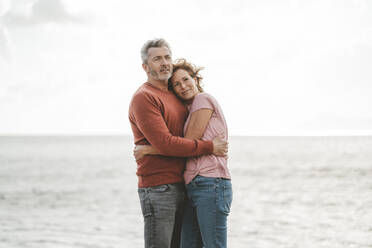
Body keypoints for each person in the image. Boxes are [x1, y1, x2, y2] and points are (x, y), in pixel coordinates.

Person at [128, 38, 228, 248]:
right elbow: (168, 142)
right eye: (157, 59)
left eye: (167, 57)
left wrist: (150, 149)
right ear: (145, 67)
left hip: (183, 185)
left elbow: (178, 141)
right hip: (158, 187)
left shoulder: (180, 98)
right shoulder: (144, 97)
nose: (164, 62)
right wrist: (209, 146)